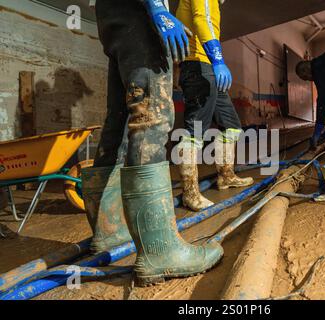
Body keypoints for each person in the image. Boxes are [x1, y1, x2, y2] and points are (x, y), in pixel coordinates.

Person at [81, 0, 223, 286]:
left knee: (119, 122)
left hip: (114, 18)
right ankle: (160, 252)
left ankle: (108, 232)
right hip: (140, 14)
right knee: (151, 117)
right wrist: (158, 8)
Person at [175, 0, 253, 212]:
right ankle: (190, 194)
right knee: (195, 132)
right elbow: (203, 20)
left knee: (232, 126)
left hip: (206, 66)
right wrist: (218, 60)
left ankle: (226, 176)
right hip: (198, 66)